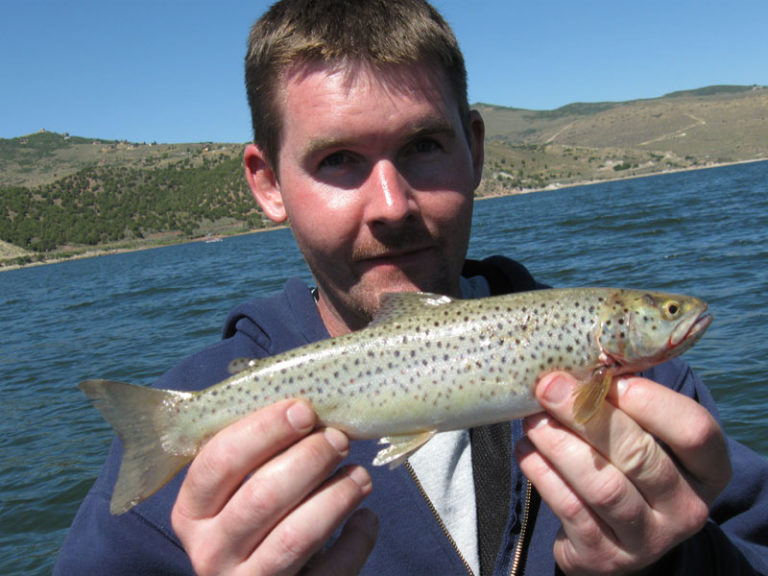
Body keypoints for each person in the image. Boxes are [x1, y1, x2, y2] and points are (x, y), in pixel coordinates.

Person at [55, 1, 768, 574]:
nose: (392, 205)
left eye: (423, 145)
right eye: (338, 160)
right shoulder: (184, 440)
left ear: (476, 149)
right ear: (267, 184)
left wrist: (680, 559)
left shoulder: (660, 392)